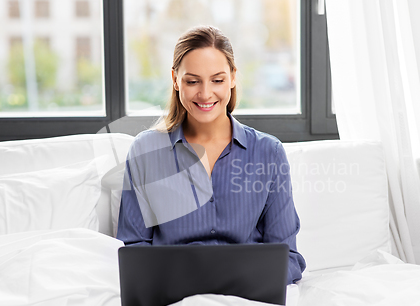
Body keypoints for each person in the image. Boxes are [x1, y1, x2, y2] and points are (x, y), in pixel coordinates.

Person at [117, 25, 306, 284]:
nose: (205, 93)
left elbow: (289, 258)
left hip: (247, 293)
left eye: (217, 80)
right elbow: (133, 248)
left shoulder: (268, 153)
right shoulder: (146, 151)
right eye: (192, 81)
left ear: (233, 77)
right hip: (174, 293)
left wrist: (244, 279)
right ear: (175, 80)